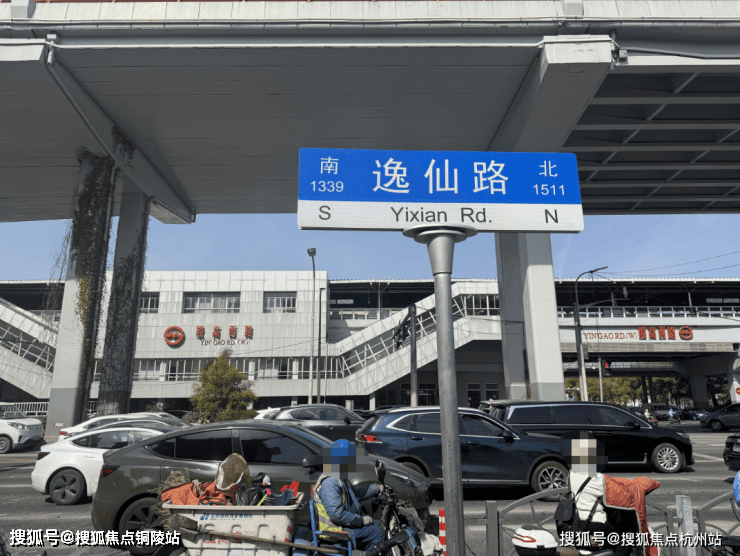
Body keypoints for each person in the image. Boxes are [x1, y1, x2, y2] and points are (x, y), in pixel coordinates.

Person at [312, 439, 385, 552]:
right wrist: (361, 520)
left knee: (379, 524)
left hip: (340, 526)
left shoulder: (339, 477)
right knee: (378, 532)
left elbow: (355, 494)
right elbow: (336, 515)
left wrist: (377, 488)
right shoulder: (330, 482)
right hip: (334, 531)